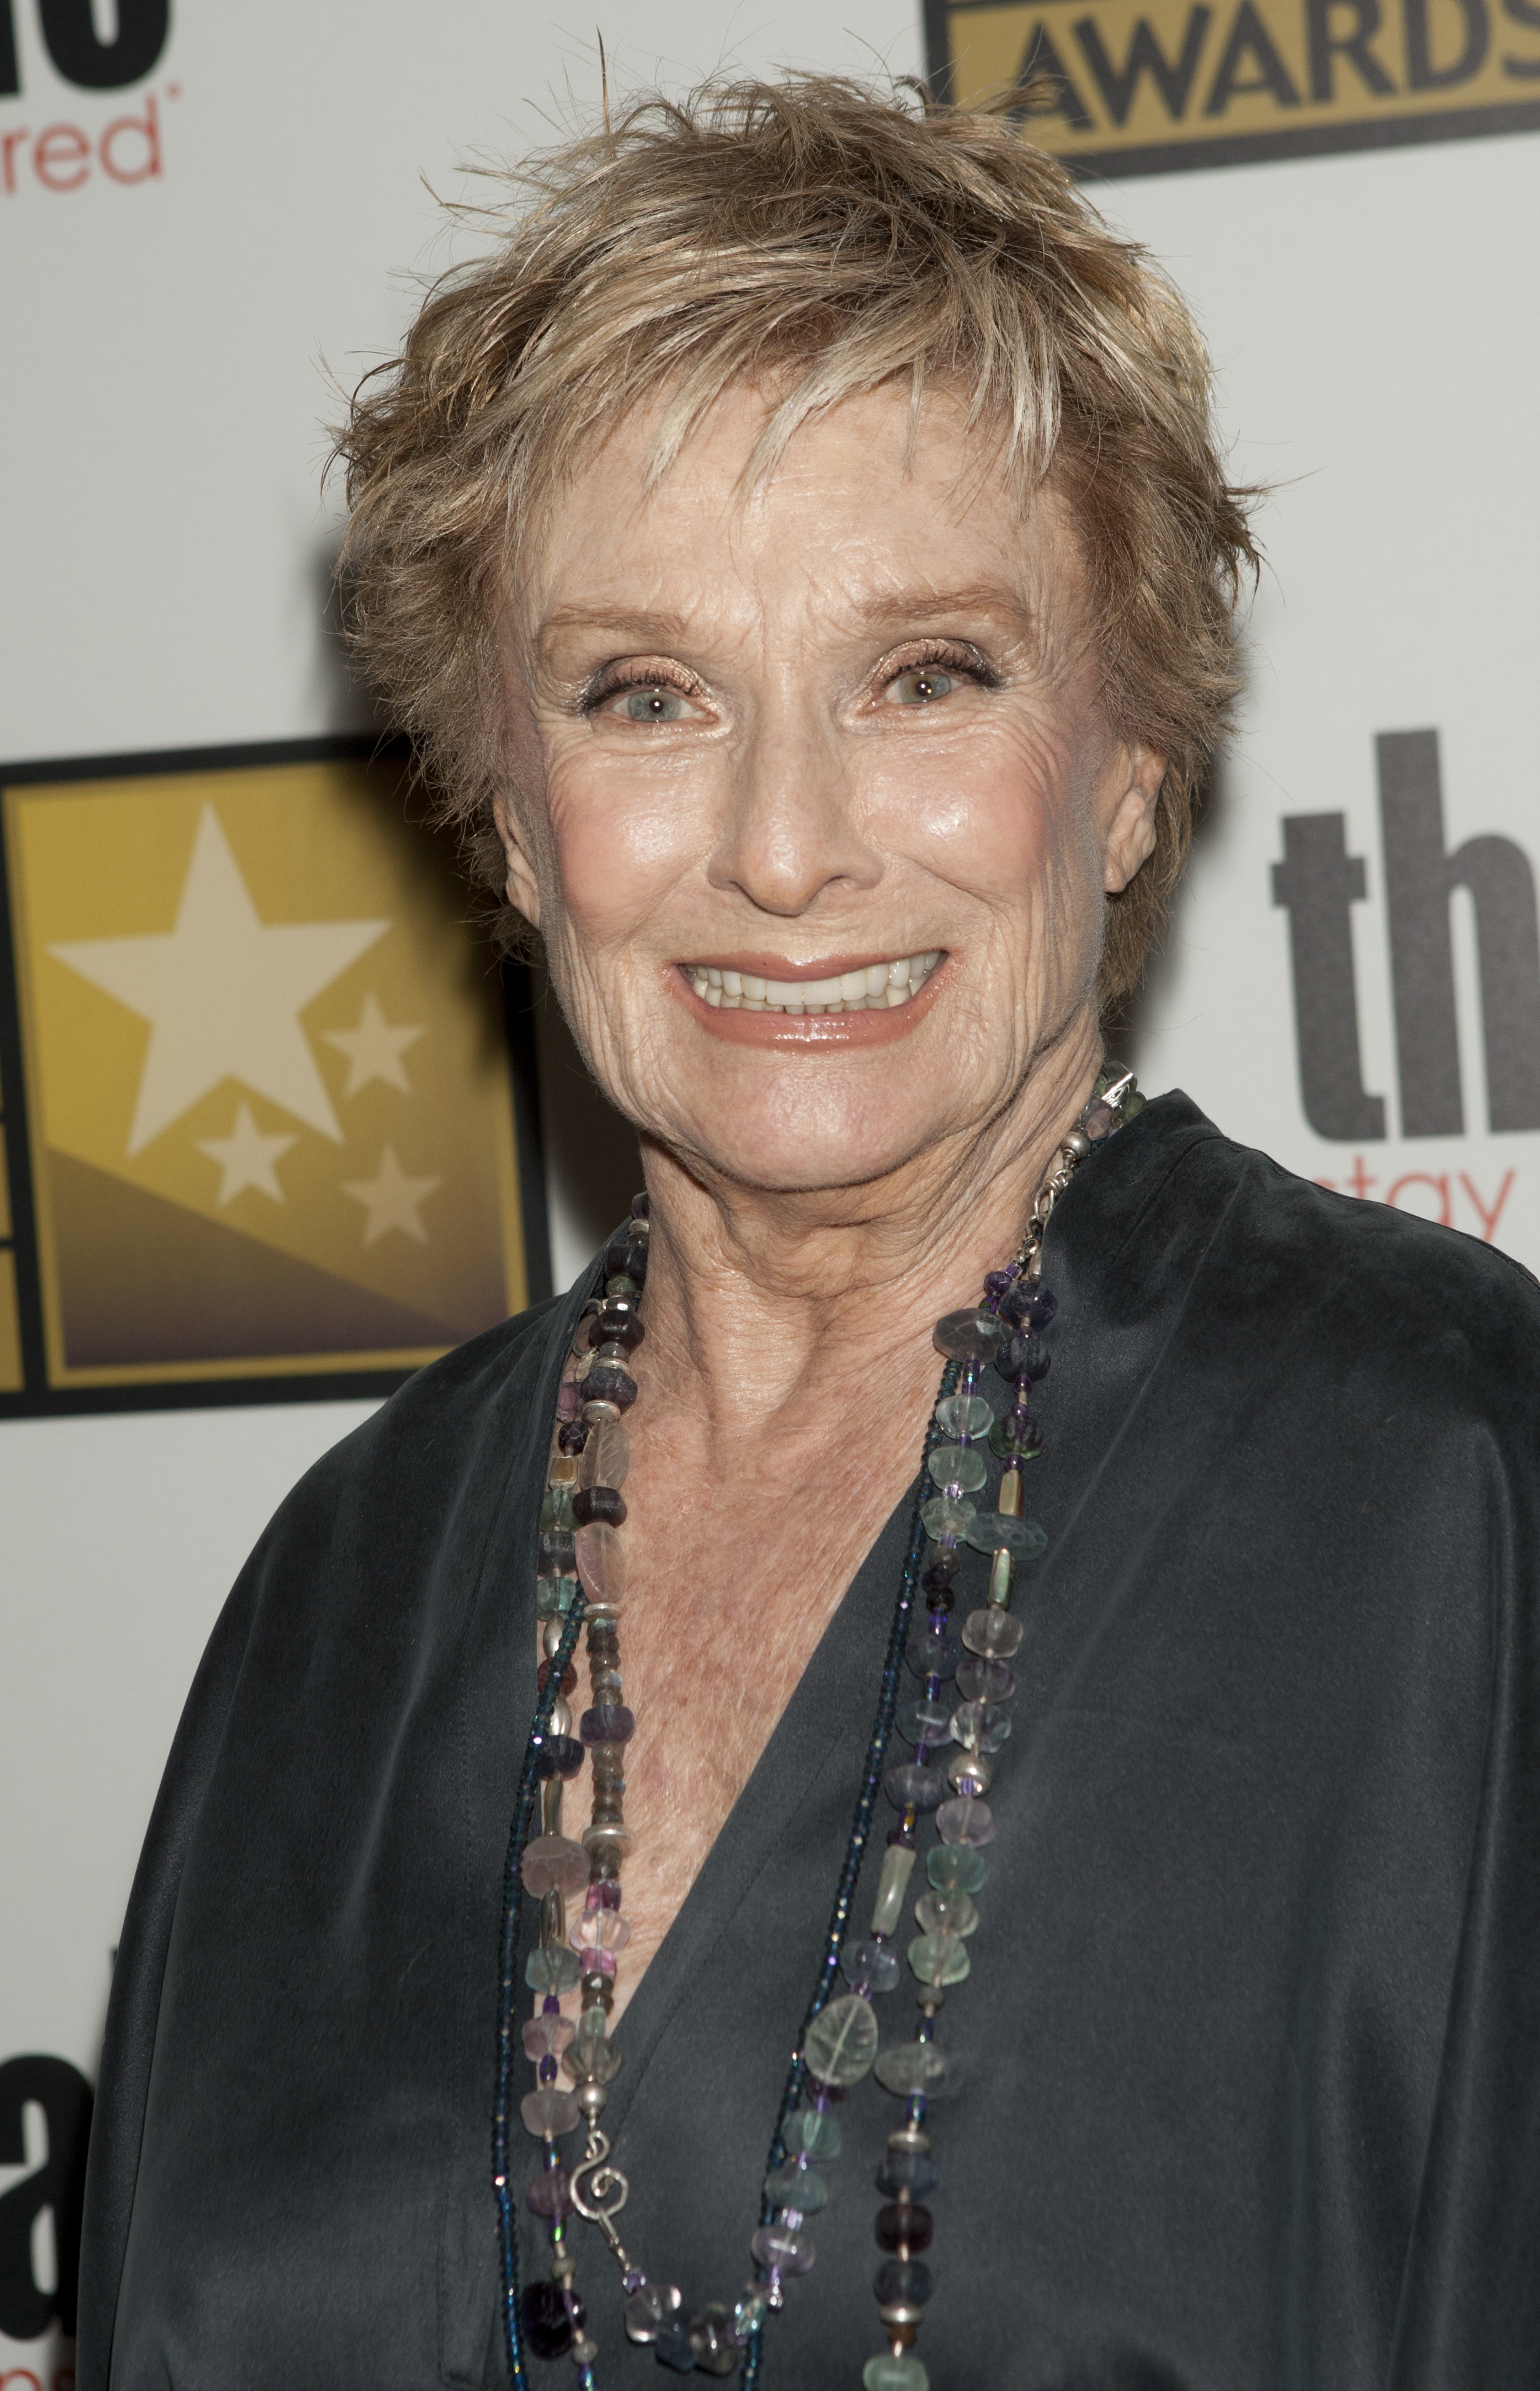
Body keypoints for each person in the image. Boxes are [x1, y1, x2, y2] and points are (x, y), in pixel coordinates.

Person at [78, 73, 1540, 2391]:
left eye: (925, 674)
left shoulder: (1440, 1485)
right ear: (510, 809)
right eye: (646, 694)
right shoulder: (343, 1585)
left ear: (1132, 763)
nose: (782, 842)